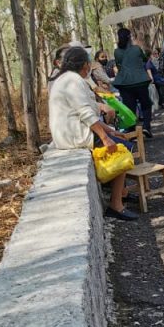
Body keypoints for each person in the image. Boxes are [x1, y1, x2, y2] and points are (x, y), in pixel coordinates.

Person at [48, 45, 137, 221]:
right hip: (74, 135)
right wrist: (106, 138)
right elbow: (86, 113)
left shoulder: (66, 79)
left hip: (73, 132)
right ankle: (116, 205)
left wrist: (111, 131)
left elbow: (89, 108)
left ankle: (122, 192)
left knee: (121, 141)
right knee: (122, 150)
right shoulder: (73, 81)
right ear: (85, 65)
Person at [113, 27, 153, 138]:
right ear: (129, 37)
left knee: (129, 108)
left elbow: (119, 66)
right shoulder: (136, 48)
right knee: (146, 104)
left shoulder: (116, 52)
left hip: (125, 83)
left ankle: (132, 131)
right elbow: (145, 59)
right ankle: (146, 127)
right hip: (140, 81)